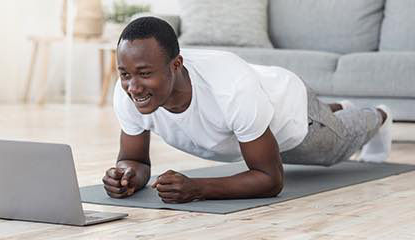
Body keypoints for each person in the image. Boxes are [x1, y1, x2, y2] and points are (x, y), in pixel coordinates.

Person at [102, 17, 393, 204]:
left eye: (143, 73)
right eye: (125, 74)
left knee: (334, 148)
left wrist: (197, 188)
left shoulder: (230, 88)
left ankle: (376, 115)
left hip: (290, 111)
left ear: (176, 65)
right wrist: (125, 177)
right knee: (258, 122)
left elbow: (271, 179)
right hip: (252, 115)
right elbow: (133, 159)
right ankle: (336, 108)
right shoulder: (128, 93)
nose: (133, 87)